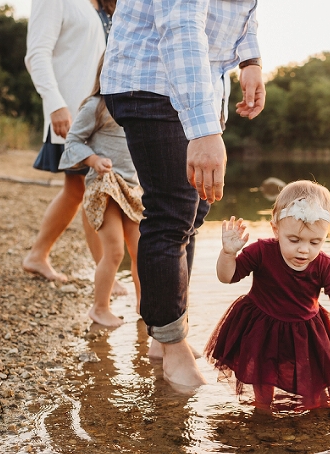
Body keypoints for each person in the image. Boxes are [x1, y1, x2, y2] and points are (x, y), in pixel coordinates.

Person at [101, 0, 265, 388]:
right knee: (172, 213)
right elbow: (181, 28)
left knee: (191, 214)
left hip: (204, 81)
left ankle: (166, 335)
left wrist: (250, 60)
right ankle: (171, 345)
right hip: (153, 76)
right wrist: (204, 131)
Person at [205, 180, 330, 411]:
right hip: (262, 329)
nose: (304, 249)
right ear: (276, 229)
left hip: (305, 333)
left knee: (314, 387)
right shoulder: (261, 252)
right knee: (263, 382)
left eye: (314, 242)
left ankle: (315, 424)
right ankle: (262, 417)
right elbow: (227, 277)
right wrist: (228, 254)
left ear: (325, 236)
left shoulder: (323, 264)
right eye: (294, 240)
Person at [23, 0, 121, 287]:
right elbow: (37, 55)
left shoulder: (105, 5)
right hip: (71, 110)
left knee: (76, 189)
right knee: (93, 187)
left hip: (101, 114)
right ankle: (106, 274)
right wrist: (55, 105)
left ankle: (38, 255)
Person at [58, 58, 143, 328]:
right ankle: (100, 308)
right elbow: (72, 140)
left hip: (130, 189)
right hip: (104, 186)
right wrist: (93, 160)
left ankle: (145, 305)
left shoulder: (142, 108)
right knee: (115, 251)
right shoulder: (97, 106)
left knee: (142, 250)